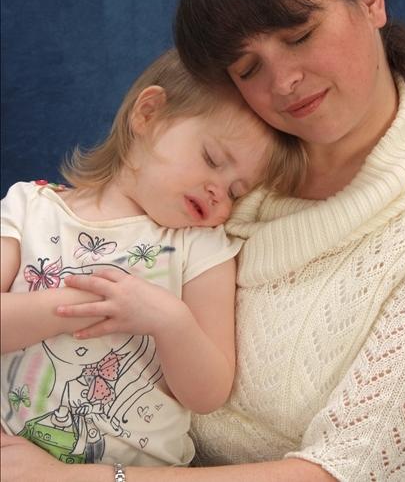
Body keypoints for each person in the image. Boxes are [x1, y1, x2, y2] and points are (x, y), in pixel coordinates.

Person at [1, 0, 405, 482]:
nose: (283, 82)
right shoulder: (217, 182)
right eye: (247, 69)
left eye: (300, 35)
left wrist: (67, 477)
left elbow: (344, 474)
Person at [0, 49, 302, 469]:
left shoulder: (201, 246)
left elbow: (208, 394)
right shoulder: (30, 208)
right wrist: (82, 305)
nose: (219, 191)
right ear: (149, 114)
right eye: (212, 160)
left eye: (236, 191)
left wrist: (170, 322)